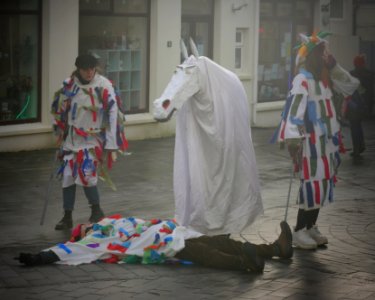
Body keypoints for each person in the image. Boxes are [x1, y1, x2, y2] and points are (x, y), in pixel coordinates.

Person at [273, 31, 359, 249]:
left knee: (323, 184)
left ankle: (311, 225)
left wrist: (334, 65)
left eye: (327, 53)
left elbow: (350, 84)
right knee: (311, 185)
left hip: (327, 143)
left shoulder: (326, 79)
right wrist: (293, 140)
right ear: (313, 56)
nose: (326, 56)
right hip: (310, 144)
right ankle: (300, 230)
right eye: (323, 53)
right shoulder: (302, 80)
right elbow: (294, 110)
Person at [15, 214, 293, 273]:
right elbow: (68, 250)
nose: (89, 224)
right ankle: (246, 263)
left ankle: (274, 249)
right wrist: (39, 257)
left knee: (217, 242)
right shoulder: (94, 239)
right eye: (84, 227)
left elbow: (145, 222)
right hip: (159, 246)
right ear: (82, 233)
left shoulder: (115, 220)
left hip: (170, 233)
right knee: (204, 252)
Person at [51, 54, 128, 230]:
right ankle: (67, 216)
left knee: (87, 176)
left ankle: (97, 211)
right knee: (68, 177)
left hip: (91, 141)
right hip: (71, 139)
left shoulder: (103, 85)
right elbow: (60, 108)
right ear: (79, 68)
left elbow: (113, 113)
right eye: (86, 69)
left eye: (92, 68)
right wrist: (58, 127)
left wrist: (110, 143)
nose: (89, 72)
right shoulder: (69, 84)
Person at [350, 54, 375, 118]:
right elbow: (370, 90)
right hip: (366, 107)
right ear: (364, 63)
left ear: (354, 63)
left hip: (355, 107)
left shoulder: (351, 74)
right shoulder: (370, 74)